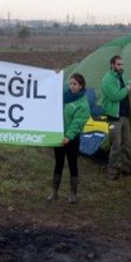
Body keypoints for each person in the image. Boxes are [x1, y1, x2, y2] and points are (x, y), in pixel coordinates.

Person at [47, 73, 91, 204]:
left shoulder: (83, 104)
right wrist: (54, 76)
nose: (72, 86)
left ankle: (73, 194)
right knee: (58, 163)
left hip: (71, 139)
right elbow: (52, 89)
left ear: (81, 86)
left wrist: (68, 136)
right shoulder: (65, 95)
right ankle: (54, 192)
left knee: (73, 164)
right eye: (71, 83)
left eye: (75, 84)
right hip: (59, 136)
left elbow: (77, 123)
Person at [101, 55, 131, 180]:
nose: (121, 67)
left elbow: (126, 85)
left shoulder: (121, 76)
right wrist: (127, 89)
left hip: (124, 116)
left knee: (127, 143)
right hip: (114, 117)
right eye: (118, 64)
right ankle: (112, 172)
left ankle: (125, 168)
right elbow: (115, 96)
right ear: (112, 65)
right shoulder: (107, 80)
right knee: (116, 144)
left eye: (122, 64)